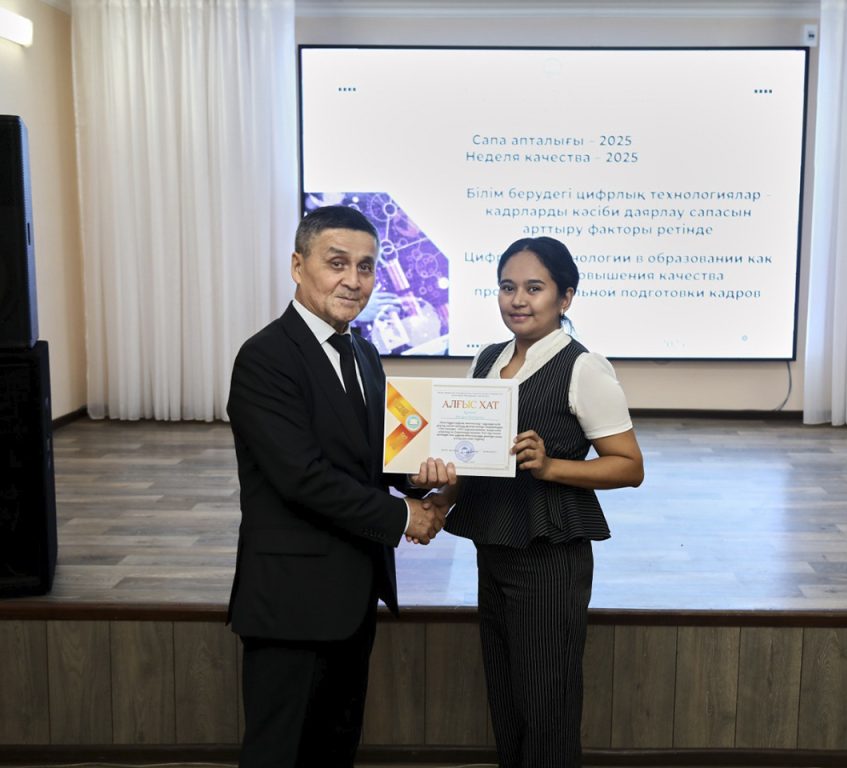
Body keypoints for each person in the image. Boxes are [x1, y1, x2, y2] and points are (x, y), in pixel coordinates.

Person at [226, 204, 453, 768]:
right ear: (297, 266)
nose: (354, 280)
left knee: (335, 749)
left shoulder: (364, 353)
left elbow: (369, 452)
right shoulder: (264, 358)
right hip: (292, 602)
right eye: (337, 263)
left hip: (352, 594)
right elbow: (302, 477)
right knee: (279, 755)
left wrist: (418, 473)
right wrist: (404, 516)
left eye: (366, 266)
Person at [438, 236, 644, 767]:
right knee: (507, 695)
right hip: (493, 545)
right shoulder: (487, 360)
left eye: (534, 288)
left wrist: (552, 467)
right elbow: (475, 454)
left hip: (549, 555)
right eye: (507, 287)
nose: (518, 300)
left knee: (546, 701)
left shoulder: (583, 367)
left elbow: (629, 465)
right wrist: (441, 499)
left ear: (565, 297)